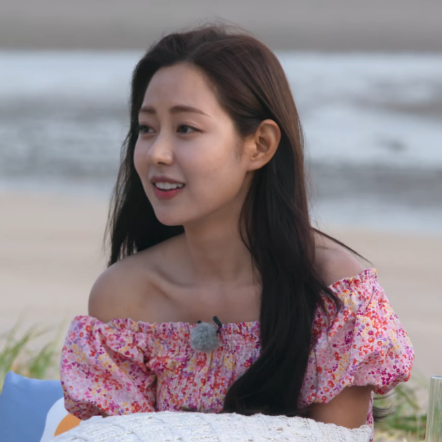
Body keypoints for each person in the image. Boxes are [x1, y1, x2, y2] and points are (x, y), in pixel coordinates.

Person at [59, 25, 414, 442]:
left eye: (185, 128)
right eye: (147, 128)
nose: (156, 152)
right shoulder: (124, 297)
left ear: (259, 145)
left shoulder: (335, 294)